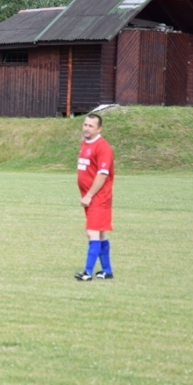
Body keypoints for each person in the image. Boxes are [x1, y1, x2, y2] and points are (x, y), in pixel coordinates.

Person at [74, 113, 114, 281]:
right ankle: (107, 270)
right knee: (101, 233)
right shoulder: (85, 144)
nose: (87, 128)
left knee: (92, 233)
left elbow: (102, 174)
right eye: (85, 124)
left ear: (99, 129)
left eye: (91, 126)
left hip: (99, 197)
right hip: (90, 196)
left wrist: (89, 195)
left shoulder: (103, 147)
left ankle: (87, 272)